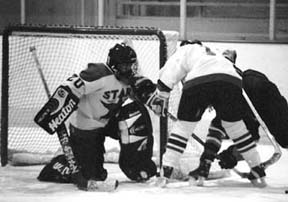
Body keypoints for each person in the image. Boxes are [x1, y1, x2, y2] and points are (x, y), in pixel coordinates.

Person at [34, 42, 157, 190]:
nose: (130, 70)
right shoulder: (99, 73)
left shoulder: (129, 79)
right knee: (94, 175)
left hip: (107, 122)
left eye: (132, 65)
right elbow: (70, 86)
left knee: (136, 115)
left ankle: (137, 165)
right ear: (114, 66)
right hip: (86, 128)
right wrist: (55, 109)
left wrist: (149, 94)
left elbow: (140, 94)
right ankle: (61, 162)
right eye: (125, 66)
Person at [146, 40, 266, 187]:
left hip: (200, 81)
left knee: (183, 128)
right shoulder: (216, 53)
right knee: (236, 127)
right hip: (232, 82)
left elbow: (172, 68)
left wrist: (162, 94)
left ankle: (166, 172)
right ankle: (257, 168)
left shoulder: (187, 49)